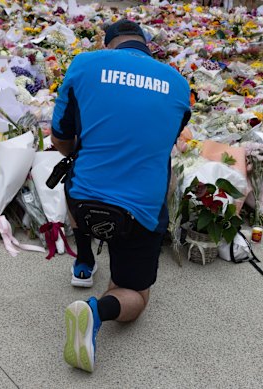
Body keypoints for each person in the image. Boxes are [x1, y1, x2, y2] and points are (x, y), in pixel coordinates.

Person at [51, 19, 191, 373]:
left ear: (108, 43)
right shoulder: (177, 83)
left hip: (83, 204)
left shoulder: (84, 64)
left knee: (77, 169)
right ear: (145, 44)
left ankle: (84, 260)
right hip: (138, 212)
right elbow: (164, 143)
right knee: (134, 295)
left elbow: (60, 141)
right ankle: (98, 310)